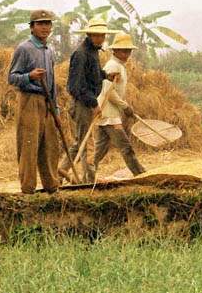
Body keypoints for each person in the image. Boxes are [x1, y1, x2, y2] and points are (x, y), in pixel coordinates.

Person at [58, 18, 119, 183]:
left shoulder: (92, 51)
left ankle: (62, 170)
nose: (100, 39)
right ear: (89, 35)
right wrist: (93, 104)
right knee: (86, 143)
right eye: (97, 35)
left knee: (81, 141)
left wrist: (106, 76)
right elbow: (75, 86)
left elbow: (93, 74)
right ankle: (88, 180)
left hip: (87, 102)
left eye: (102, 36)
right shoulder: (81, 54)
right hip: (82, 104)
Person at [7, 10, 60, 194]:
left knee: (50, 145)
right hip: (29, 100)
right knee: (29, 145)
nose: (45, 27)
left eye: (48, 24)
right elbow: (12, 78)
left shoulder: (49, 51)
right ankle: (28, 188)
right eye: (40, 24)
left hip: (47, 102)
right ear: (32, 27)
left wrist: (55, 108)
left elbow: (52, 82)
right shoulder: (24, 48)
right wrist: (29, 76)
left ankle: (51, 186)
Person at [92, 33, 146, 177]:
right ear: (114, 51)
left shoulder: (120, 66)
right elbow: (108, 92)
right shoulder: (112, 66)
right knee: (126, 147)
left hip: (109, 113)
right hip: (109, 113)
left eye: (128, 51)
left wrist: (123, 106)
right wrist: (124, 106)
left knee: (100, 149)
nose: (126, 54)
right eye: (123, 50)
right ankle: (140, 174)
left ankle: (87, 174)